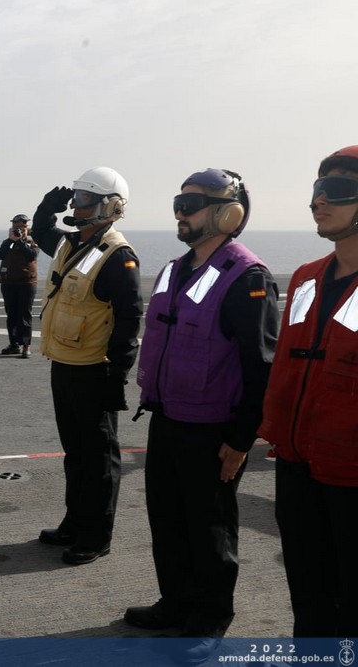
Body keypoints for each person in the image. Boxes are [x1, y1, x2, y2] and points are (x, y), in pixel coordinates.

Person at [126, 169, 279, 642]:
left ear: (227, 214)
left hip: (212, 430)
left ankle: (210, 619)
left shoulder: (246, 277)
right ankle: (175, 603)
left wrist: (239, 440)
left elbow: (261, 369)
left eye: (190, 204)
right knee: (168, 519)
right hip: (168, 417)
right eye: (178, 202)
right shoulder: (177, 267)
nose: (180, 211)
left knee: (209, 527)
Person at [260, 146, 358, 638]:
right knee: (309, 596)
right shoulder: (305, 277)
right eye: (317, 191)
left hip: (352, 476)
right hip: (296, 464)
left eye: (336, 190)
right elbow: (289, 360)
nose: (319, 201)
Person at [31, 167, 143, 565]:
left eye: (84, 200)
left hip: (95, 369)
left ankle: (96, 536)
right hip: (64, 362)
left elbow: (129, 319)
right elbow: (43, 235)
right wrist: (45, 210)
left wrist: (118, 374)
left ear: (109, 207)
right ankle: (74, 523)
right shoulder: (74, 244)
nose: (76, 207)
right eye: (75, 200)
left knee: (98, 458)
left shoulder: (117, 256)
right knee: (75, 452)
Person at [0, 213, 38, 357]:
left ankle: (26, 346)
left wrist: (20, 241)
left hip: (27, 283)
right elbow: (0, 255)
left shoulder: (32, 242)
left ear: (27, 228)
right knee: (11, 315)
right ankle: (14, 344)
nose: (19, 229)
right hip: (8, 283)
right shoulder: (7, 242)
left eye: (22, 227)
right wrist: (10, 240)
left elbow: (31, 255)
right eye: (16, 226)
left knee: (24, 315)